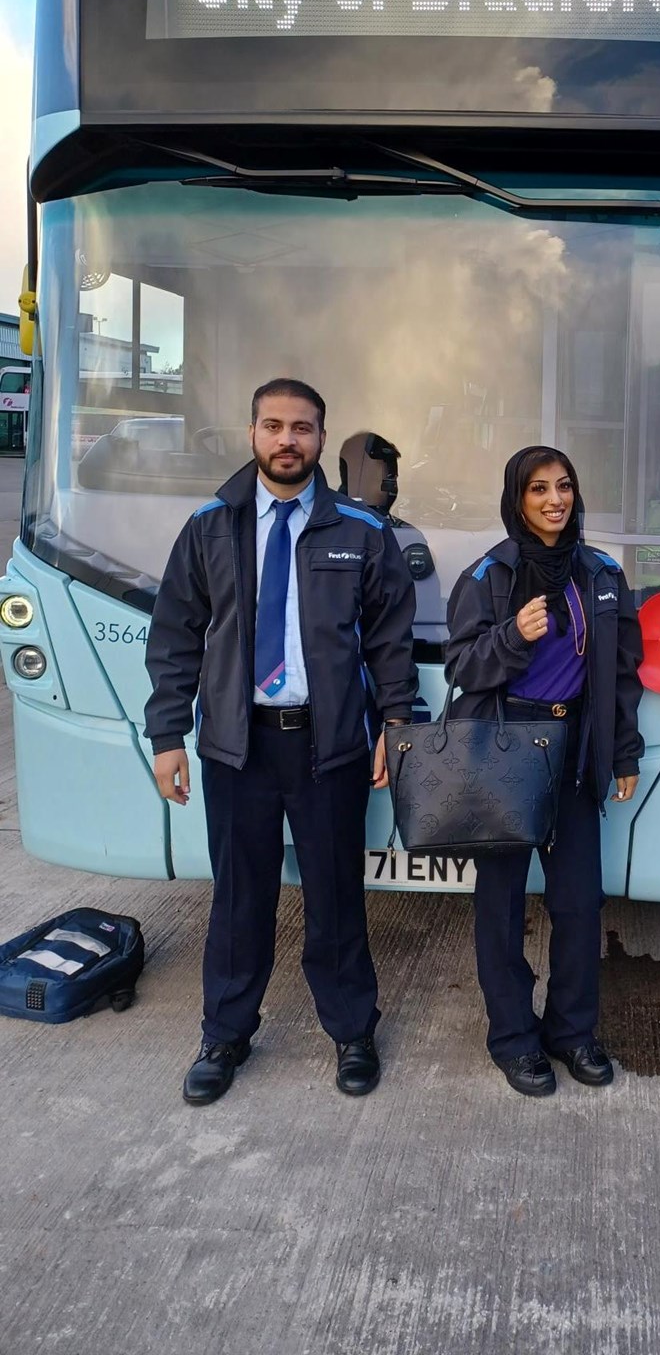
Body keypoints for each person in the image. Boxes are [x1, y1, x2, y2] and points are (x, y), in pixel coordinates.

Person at [144, 379, 417, 1105]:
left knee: (335, 897)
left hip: (328, 749)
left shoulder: (361, 532)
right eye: (273, 425)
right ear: (252, 432)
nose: (287, 439)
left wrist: (397, 723)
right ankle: (225, 1034)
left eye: (302, 427)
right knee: (239, 899)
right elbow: (174, 635)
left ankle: (352, 1031)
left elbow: (391, 641)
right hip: (237, 748)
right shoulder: (210, 526)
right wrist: (168, 732)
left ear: (323, 440)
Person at [445, 446, 644, 1097]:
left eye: (564, 486)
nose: (555, 499)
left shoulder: (603, 574)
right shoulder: (488, 577)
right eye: (538, 489)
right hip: (507, 750)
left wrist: (622, 752)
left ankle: (572, 1033)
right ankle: (512, 1039)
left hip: (576, 751)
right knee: (501, 907)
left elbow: (619, 676)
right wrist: (511, 636)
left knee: (580, 904)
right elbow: (462, 669)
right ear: (517, 500)